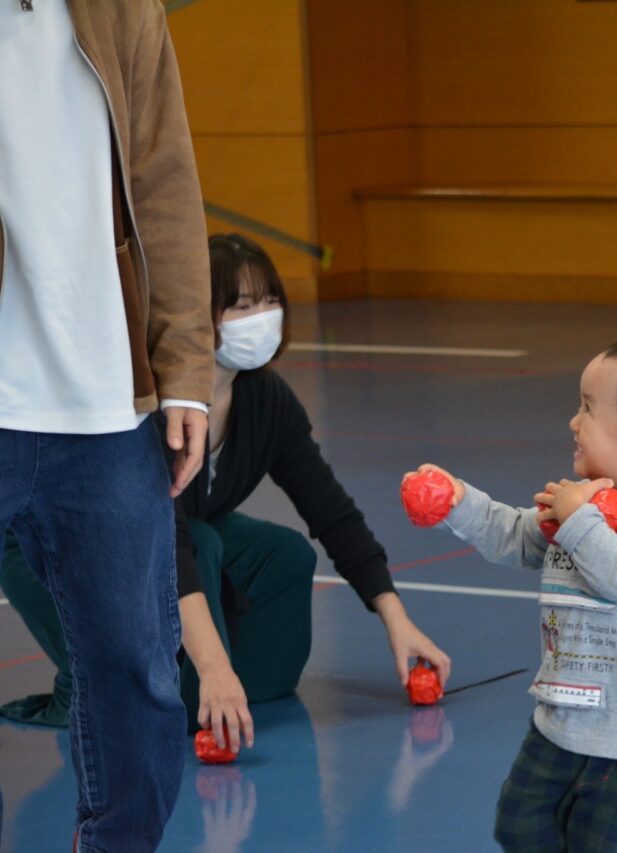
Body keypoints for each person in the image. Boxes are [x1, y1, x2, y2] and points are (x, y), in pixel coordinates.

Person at [1, 234, 452, 757]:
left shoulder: (266, 398)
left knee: (284, 555)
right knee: (200, 551)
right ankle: (101, 683)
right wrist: (213, 666)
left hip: (177, 542)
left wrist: (396, 619)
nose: (261, 317)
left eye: (270, 300)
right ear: (198, 315)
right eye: (241, 306)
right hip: (63, 546)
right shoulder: (151, 401)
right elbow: (168, 542)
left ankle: (204, 688)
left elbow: (332, 513)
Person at [0, 1, 212, 848]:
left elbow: (167, 184)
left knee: (137, 673)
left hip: (107, 403)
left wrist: (185, 368)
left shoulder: (125, 10)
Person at [407, 336, 617, 852]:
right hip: (558, 723)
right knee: (518, 827)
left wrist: (577, 517)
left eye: (588, 409)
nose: (574, 422)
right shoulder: (581, 504)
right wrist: (458, 502)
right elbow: (514, 534)